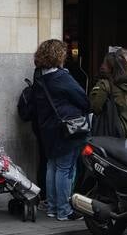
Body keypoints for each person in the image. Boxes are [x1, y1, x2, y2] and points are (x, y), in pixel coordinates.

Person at [20, 40, 89, 221]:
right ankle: (64, 210)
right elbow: (83, 99)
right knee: (65, 168)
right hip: (66, 129)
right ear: (59, 56)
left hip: (47, 128)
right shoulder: (62, 77)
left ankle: (52, 207)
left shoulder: (39, 76)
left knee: (52, 166)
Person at [89, 50, 127, 140]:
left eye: (104, 64)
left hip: (111, 132)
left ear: (110, 68)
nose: (102, 66)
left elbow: (94, 106)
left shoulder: (105, 85)